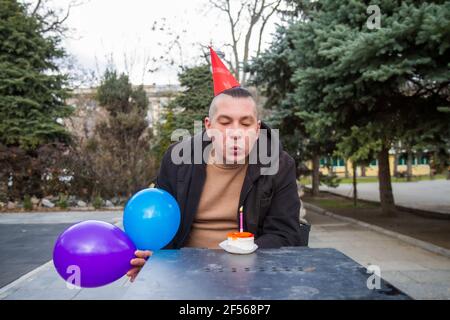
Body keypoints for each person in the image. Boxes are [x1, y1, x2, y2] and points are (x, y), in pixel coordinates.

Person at [126, 47, 310, 282]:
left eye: (245, 123)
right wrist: (155, 260)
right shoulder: (177, 159)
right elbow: (162, 223)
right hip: (185, 273)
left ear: (257, 128)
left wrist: (233, 262)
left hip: (250, 274)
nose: (235, 133)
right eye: (225, 122)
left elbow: (284, 234)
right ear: (209, 126)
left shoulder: (279, 164)